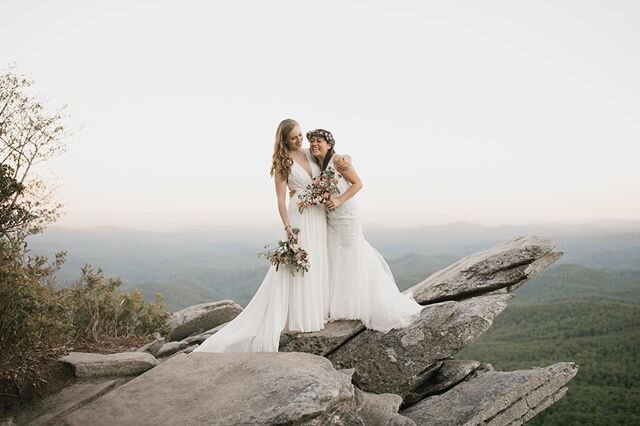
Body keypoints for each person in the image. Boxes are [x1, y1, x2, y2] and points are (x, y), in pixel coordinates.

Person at [194, 119, 329, 352]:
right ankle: (300, 317)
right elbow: (279, 198)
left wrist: (345, 159)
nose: (300, 139)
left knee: (317, 260)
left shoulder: (309, 153)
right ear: (284, 139)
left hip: (318, 214)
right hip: (299, 215)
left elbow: (331, 159)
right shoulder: (282, 162)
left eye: (300, 135)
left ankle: (318, 310)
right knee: (299, 263)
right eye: (294, 137)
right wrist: (288, 227)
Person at [307, 128, 423, 332]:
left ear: (329, 143)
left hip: (346, 213)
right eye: (312, 141)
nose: (314, 144)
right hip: (330, 217)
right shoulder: (317, 163)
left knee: (353, 253)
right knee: (335, 255)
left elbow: (358, 183)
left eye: (319, 141)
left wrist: (339, 199)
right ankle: (339, 304)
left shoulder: (338, 161)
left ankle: (362, 302)